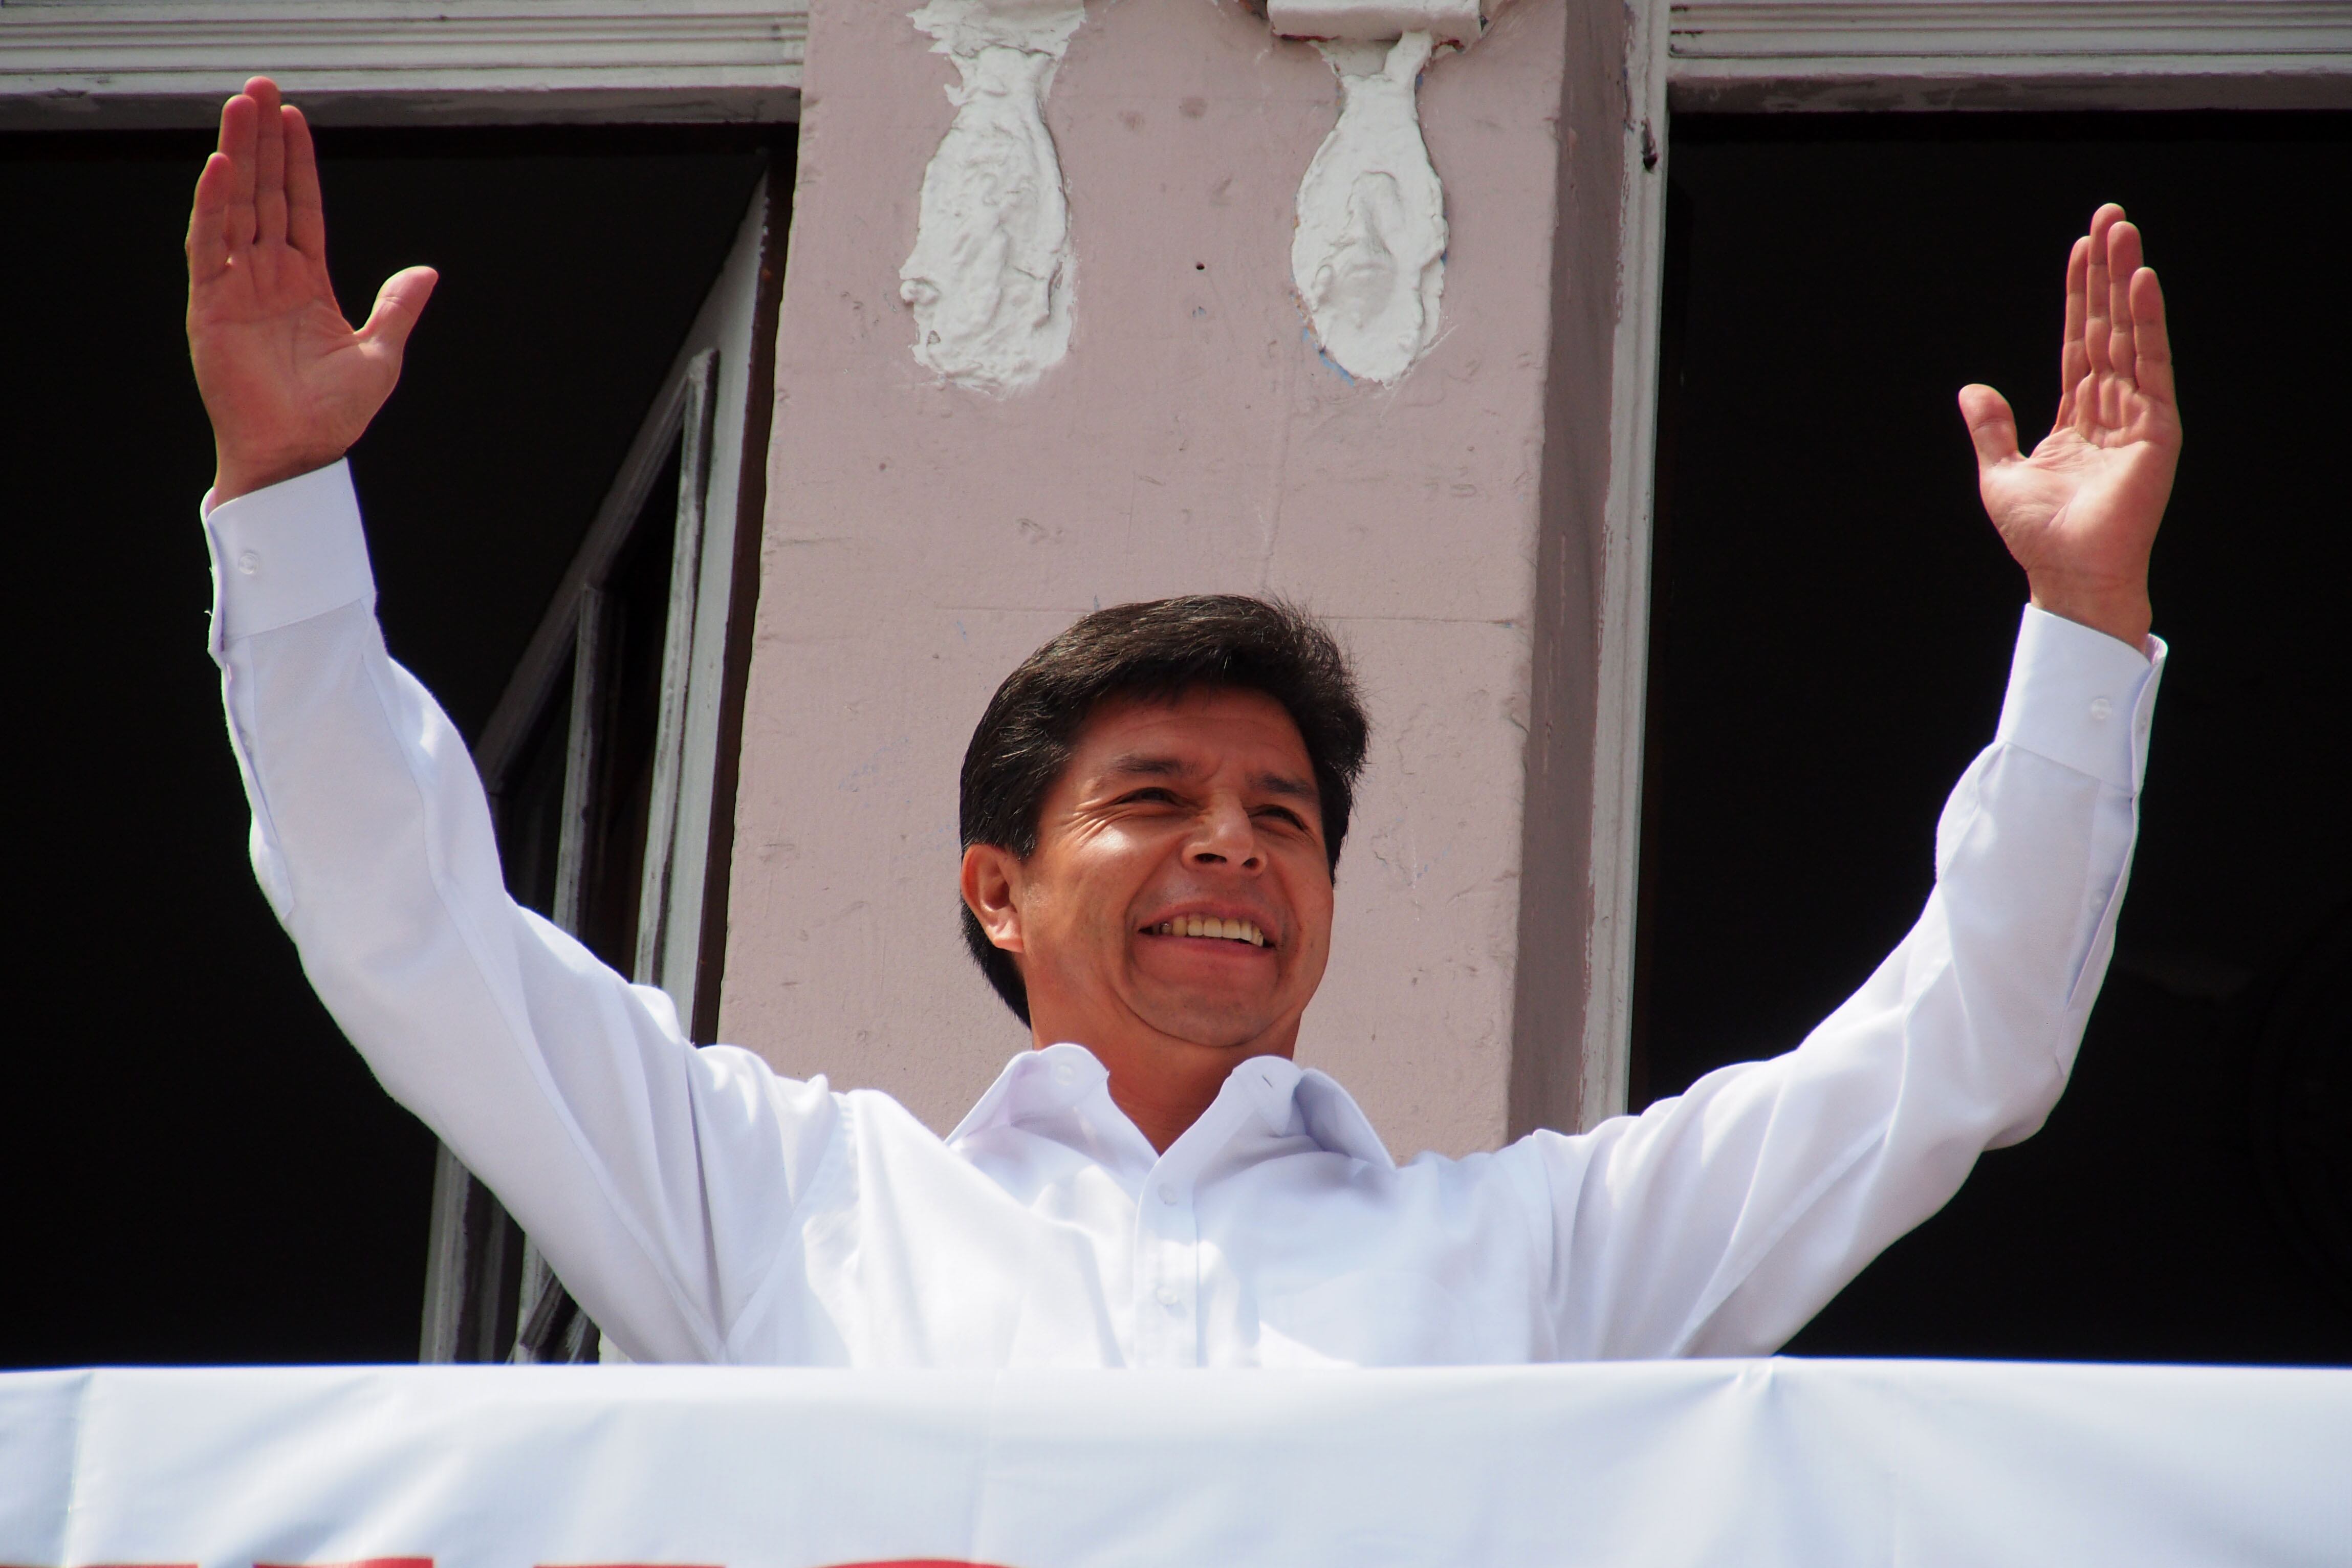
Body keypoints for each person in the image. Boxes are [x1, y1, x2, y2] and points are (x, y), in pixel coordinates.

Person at [188, 78, 2178, 1367]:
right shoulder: (787, 1203)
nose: (1236, 844)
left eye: (1285, 815)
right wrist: (283, 496)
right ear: (998, 887)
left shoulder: (1543, 1265)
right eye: (1154, 797)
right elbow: (410, 930)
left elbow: (1952, 1054)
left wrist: (2084, 622)